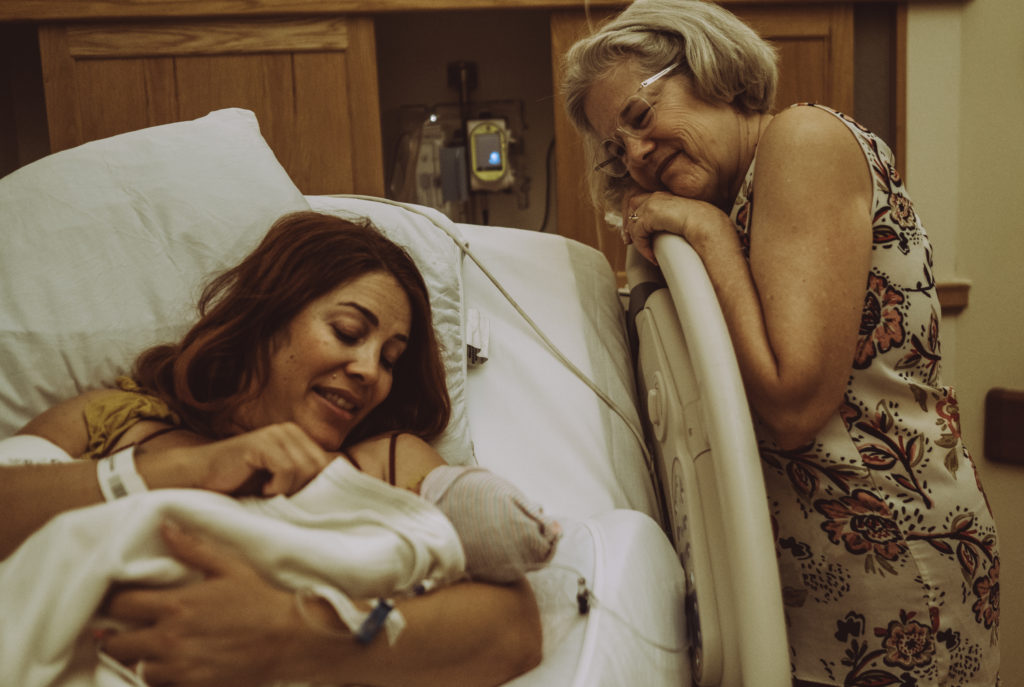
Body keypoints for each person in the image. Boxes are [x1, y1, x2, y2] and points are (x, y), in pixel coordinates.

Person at [562, 1, 1000, 684]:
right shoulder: (737, 195)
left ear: (709, 67)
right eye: (617, 149)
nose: (637, 154)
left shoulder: (802, 141)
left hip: (894, 557)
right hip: (811, 571)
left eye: (641, 117)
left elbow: (795, 405)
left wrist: (704, 232)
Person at [0, 211, 542, 686]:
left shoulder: (387, 463)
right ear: (267, 316)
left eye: (391, 359)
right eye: (349, 331)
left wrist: (292, 632)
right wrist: (188, 470)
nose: (370, 371)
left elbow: (512, 632)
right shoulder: (112, 420)